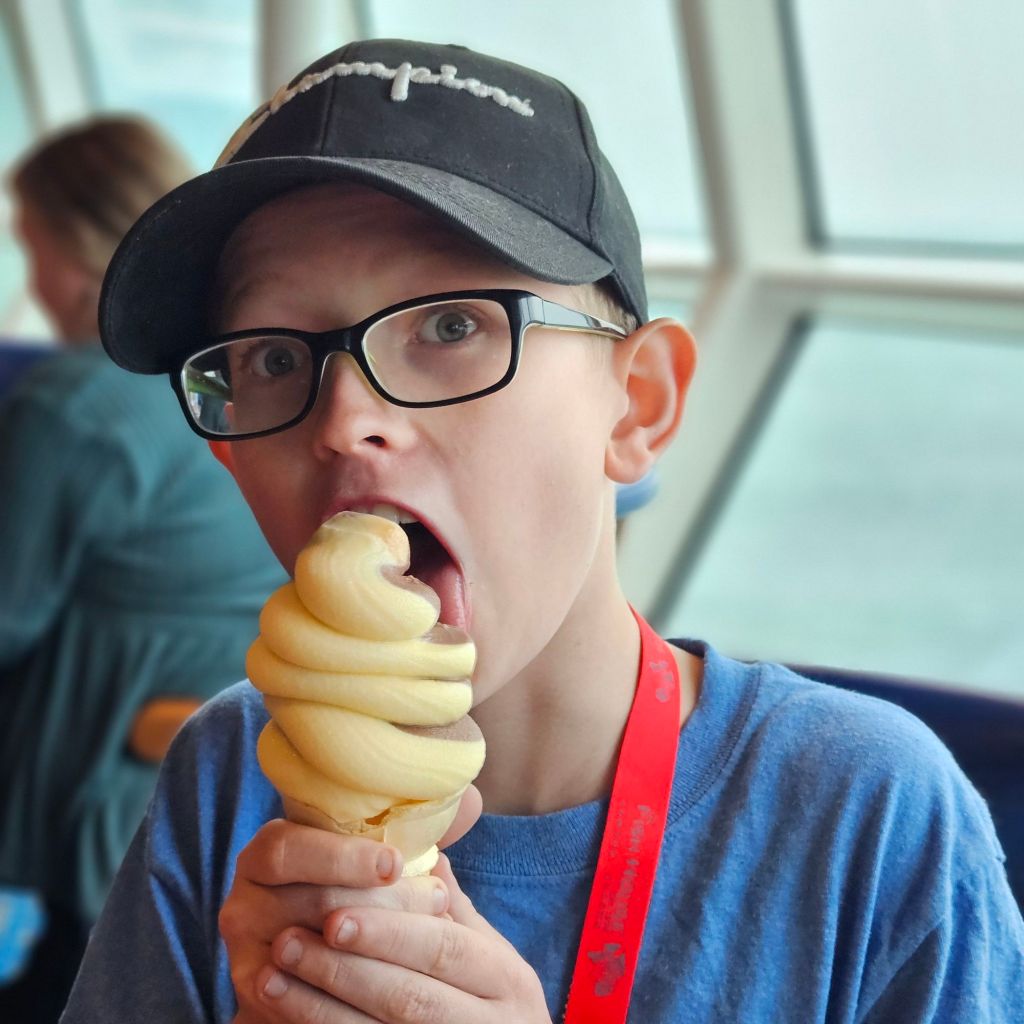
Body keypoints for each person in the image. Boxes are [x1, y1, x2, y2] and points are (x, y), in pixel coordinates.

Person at [61, 41, 1023, 1023]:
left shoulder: (867, 812)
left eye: (449, 326)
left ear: (637, 406)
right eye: (271, 357)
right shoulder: (234, 769)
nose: (344, 420)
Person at [0, 116, 286, 1021]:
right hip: (211, 790)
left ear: (78, 250)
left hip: (82, 801)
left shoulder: (80, 405)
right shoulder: (237, 388)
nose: (34, 284)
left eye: (33, 250)